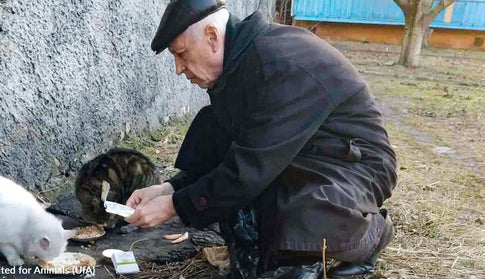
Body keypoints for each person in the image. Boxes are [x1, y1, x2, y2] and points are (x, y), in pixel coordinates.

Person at [125, 0, 397, 278]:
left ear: (212, 37)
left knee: (300, 215)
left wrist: (175, 206)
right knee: (213, 129)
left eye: (181, 54)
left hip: (354, 165)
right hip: (299, 155)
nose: (178, 69)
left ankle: (371, 235)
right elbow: (233, 151)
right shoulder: (241, 63)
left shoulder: (280, 62)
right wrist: (171, 190)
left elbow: (252, 164)